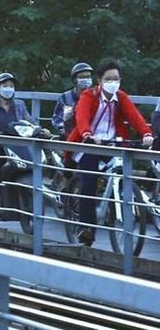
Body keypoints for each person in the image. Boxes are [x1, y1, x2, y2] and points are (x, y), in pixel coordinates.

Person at [68, 59, 153, 246]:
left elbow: (135, 117)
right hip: (90, 144)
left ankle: (119, 210)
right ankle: (85, 228)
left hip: (114, 144)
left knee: (123, 175)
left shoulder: (121, 97)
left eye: (116, 78)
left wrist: (146, 133)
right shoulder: (89, 96)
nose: (113, 82)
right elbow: (81, 117)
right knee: (88, 183)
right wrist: (88, 134)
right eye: (109, 79)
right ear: (100, 80)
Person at [0, 72, 36, 208]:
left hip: (18, 143)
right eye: (5, 86)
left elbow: (30, 121)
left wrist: (38, 129)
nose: (8, 89)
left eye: (11, 86)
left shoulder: (20, 104)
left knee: (34, 160)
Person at [52, 62, 93, 138]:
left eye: (88, 77)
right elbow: (57, 117)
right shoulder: (65, 97)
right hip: (69, 135)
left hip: (89, 135)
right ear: (75, 80)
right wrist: (62, 128)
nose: (86, 80)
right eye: (82, 77)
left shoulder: (95, 96)